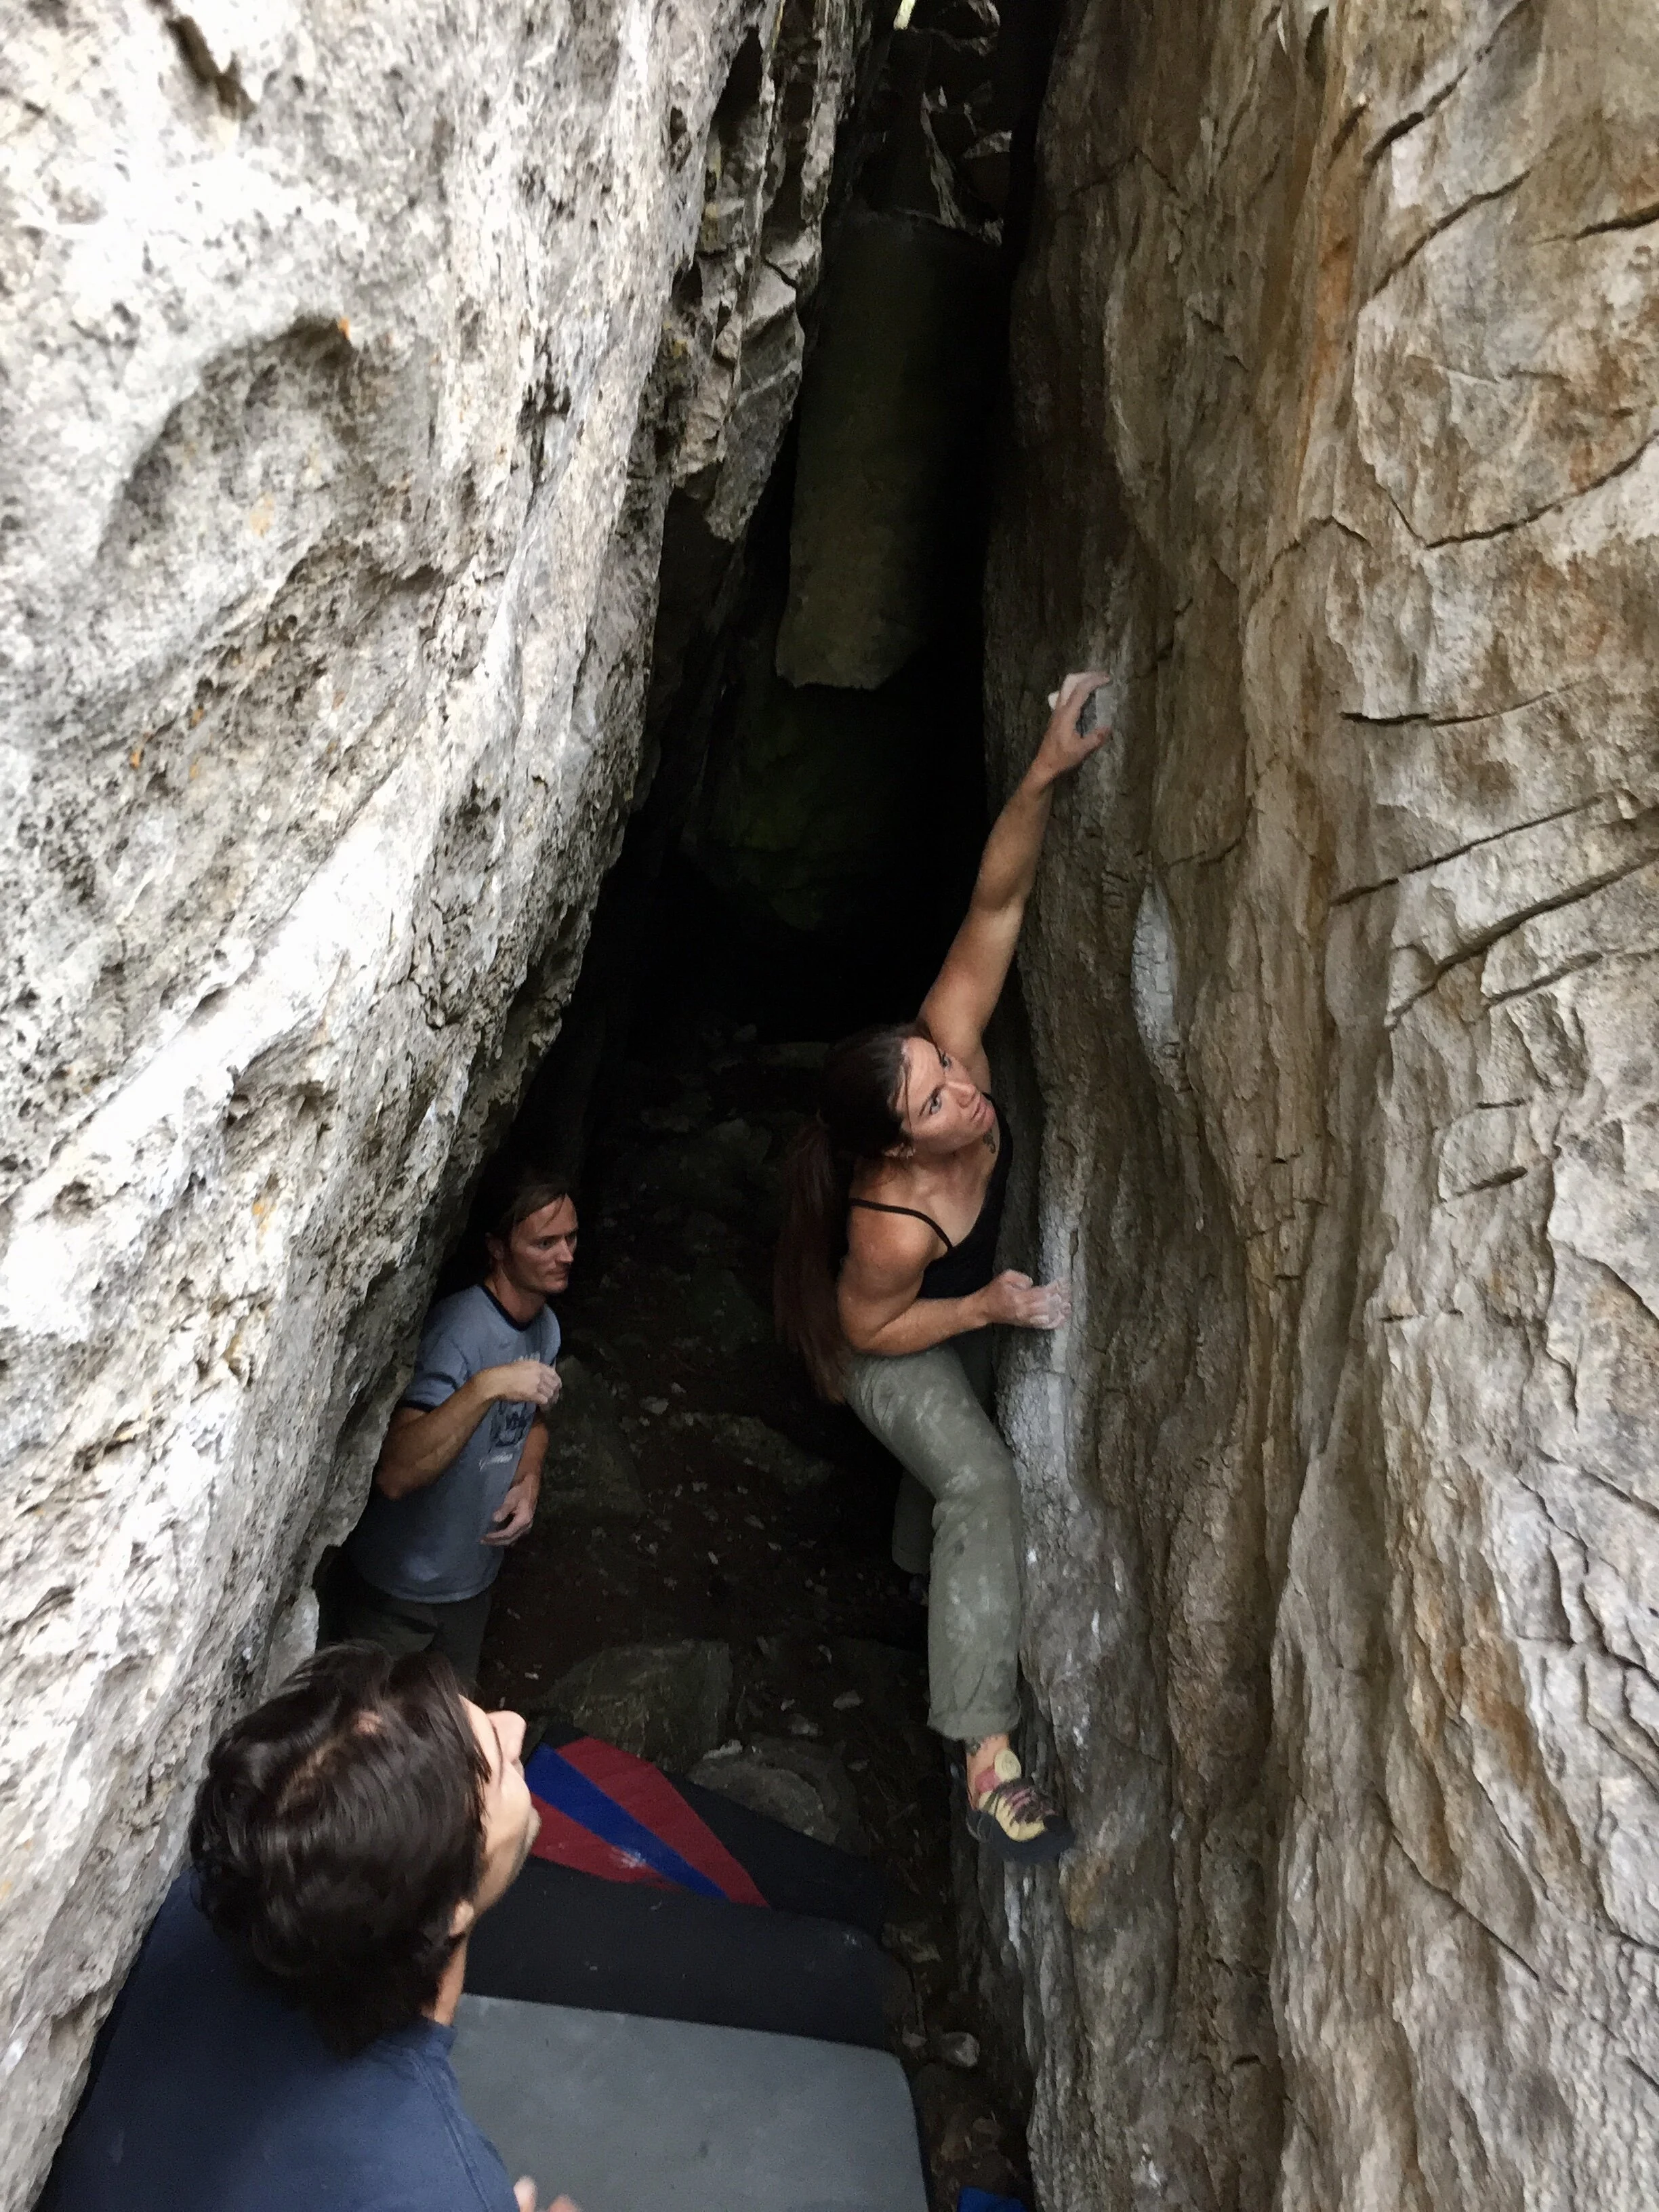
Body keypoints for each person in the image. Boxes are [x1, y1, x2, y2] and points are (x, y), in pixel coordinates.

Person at [775, 671, 1109, 1862]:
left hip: (944, 1301)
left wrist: (1041, 770)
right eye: (934, 1097)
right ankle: (983, 1756)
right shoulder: (886, 1225)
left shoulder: (951, 1041)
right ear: (895, 1144)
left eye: (942, 1065)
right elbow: (870, 1333)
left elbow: (997, 899)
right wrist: (979, 1299)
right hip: (879, 1338)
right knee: (974, 1475)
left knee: (959, 1421)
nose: (965, 1087)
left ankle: (922, 1583)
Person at [43, 1642, 576, 2212]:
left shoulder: (201, 1911)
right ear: (451, 1912)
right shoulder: (430, 2183)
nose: (516, 1724)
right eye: (501, 1765)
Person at [328, 1172, 579, 1687]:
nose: (567, 1256)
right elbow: (397, 1471)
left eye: (571, 1239)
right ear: (498, 1249)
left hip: (470, 1584)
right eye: (545, 1243)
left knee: (444, 1736)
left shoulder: (545, 1327)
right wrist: (486, 1386)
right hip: (399, 1591)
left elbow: (533, 1422)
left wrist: (529, 1475)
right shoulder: (458, 1332)